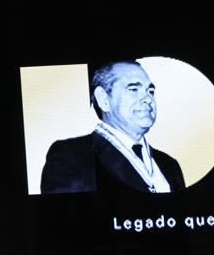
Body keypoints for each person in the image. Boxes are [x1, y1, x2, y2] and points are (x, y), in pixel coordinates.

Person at [40, 60, 185, 194]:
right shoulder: (72, 156)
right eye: (134, 89)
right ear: (103, 99)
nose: (148, 99)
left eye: (150, 91)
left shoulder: (170, 165)